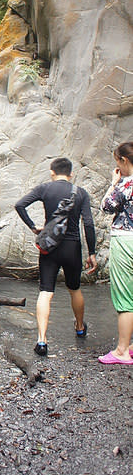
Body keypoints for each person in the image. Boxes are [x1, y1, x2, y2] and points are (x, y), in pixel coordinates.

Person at [14, 157, 97, 356]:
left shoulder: (45, 189)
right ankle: (79, 327)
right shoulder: (80, 193)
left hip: (49, 247)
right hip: (72, 247)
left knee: (45, 291)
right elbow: (88, 224)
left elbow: (19, 205)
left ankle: (42, 340)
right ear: (71, 174)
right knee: (74, 289)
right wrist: (92, 252)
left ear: (52, 172)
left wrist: (33, 227)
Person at [98, 141, 133, 365]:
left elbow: (106, 206)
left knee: (125, 297)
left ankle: (122, 350)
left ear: (124, 161)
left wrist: (114, 183)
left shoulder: (125, 186)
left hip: (125, 240)